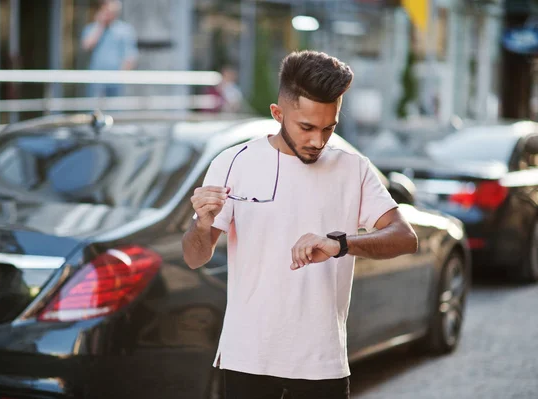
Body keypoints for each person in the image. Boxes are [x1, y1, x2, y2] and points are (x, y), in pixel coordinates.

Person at [181, 50, 418, 399]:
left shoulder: (353, 168)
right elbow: (194, 257)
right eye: (306, 127)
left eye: (328, 128)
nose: (317, 141)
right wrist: (202, 225)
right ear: (278, 114)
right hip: (248, 356)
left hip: (321, 361)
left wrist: (341, 244)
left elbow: (404, 238)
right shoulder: (233, 163)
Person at [81, 0, 138, 97]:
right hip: (96, 79)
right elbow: (87, 46)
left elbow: (130, 57)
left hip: (116, 80)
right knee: (94, 109)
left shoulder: (125, 30)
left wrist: (121, 77)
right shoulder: (92, 28)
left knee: (114, 109)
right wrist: (100, 26)